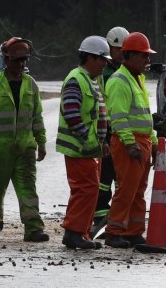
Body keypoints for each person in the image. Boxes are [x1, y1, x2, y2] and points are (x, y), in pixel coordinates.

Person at [0, 37, 48, 242]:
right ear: (6, 60)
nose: (21, 64)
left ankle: (33, 228)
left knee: (28, 190)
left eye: (24, 60)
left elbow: (36, 116)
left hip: (25, 149)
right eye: (17, 60)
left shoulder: (30, 85)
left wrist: (41, 142)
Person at [103, 32, 158, 248]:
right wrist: (130, 143)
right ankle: (114, 231)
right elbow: (118, 117)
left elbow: (145, 115)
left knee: (138, 191)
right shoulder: (119, 81)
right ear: (130, 55)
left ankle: (134, 231)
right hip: (130, 143)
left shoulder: (137, 79)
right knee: (126, 190)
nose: (147, 60)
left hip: (141, 141)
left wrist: (152, 142)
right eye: (143, 56)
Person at [57, 35, 111, 249]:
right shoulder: (76, 79)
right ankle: (74, 233)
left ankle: (82, 233)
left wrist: (101, 142)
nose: (105, 64)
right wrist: (90, 141)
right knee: (85, 189)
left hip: (89, 148)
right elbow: (71, 114)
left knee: (89, 190)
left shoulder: (92, 80)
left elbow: (96, 116)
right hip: (80, 149)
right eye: (102, 59)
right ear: (89, 57)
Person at [91, 26, 130, 237]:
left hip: (115, 131)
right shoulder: (108, 74)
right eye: (119, 50)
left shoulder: (117, 71)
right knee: (105, 178)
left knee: (115, 177)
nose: (123, 54)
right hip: (109, 131)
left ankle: (112, 218)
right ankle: (102, 218)